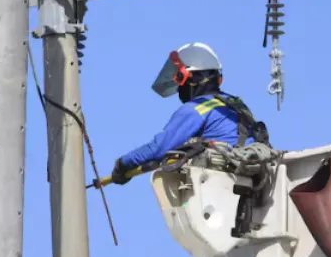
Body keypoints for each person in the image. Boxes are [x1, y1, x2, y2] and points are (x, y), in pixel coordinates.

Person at [109, 42, 271, 185]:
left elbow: (159, 148)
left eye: (179, 80)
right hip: (254, 178)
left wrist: (122, 165)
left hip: (224, 182)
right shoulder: (235, 103)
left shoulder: (196, 108)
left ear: (190, 78)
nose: (179, 88)